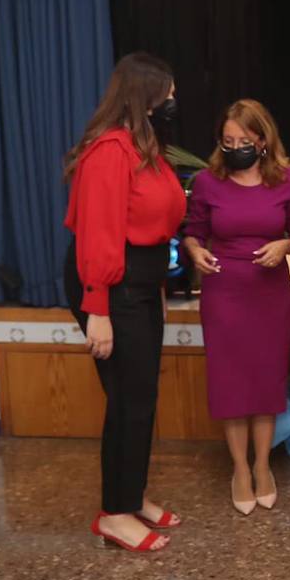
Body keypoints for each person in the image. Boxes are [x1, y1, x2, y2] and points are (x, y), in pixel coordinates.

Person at [62, 52, 187, 553]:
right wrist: (98, 310)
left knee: (140, 399)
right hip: (110, 286)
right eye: (169, 96)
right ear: (146, 98)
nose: (175, 103)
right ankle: (114, 514)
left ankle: (130, 496)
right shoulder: (109, 152)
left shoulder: (144, 148)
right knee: (128, 402)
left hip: (139, 283)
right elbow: (99, 235)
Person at [183, 99, 290, 515]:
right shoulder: (206, 182)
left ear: (262, 139)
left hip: (269, 295)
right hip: (223, 294)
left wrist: (285, 246)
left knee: (266, 381)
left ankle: (263, 466)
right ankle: (239, 469)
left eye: (244, 140)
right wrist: (195, 251)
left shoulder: (286, 181)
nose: (235, 146)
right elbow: (193, 233)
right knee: (231, 384)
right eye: (227, 140)